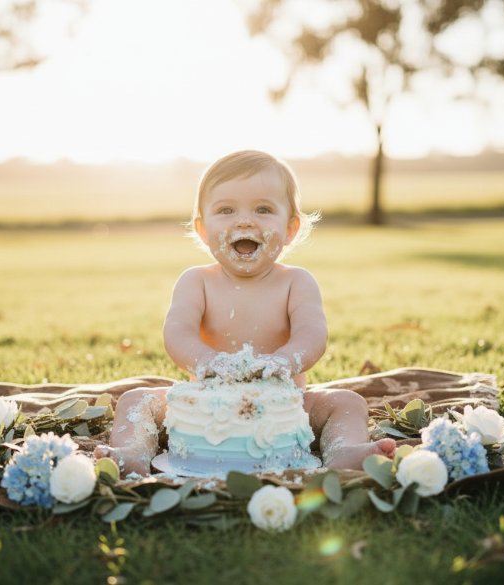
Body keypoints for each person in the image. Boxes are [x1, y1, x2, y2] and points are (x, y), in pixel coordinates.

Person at [95, 150, 395, 475]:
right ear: (203, 229)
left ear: (291, 228)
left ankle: (344, 452)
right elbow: (178, 332)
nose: (244, 220)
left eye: (263, 209)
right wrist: (206, 361)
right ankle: (132, 452)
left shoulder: (296, 282)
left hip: (284, 407)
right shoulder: (196, 281)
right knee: (137, 399)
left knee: (347, 403)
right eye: (225, 210)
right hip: (204, 407)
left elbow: (313, 335)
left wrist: (284, 360)